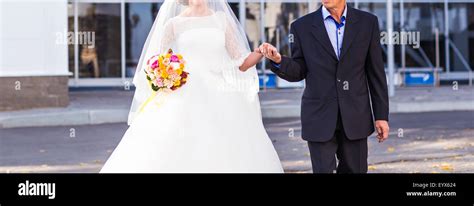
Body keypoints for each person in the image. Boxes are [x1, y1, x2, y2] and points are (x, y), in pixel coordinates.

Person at [100, 0, 283, 173]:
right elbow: (156, 61)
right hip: (184, 93)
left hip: (221, 95)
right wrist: (163, 75)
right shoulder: (174, 24)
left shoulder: (222, 20)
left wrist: (260, 52)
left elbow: (240, 62)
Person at [258, 0, 390, 173]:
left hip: (355, 116)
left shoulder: (368, 23)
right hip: (319, 117)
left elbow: (376, 73)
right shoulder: (301, 27)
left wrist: (381, 116)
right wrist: (278, 61)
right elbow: (299, 70)